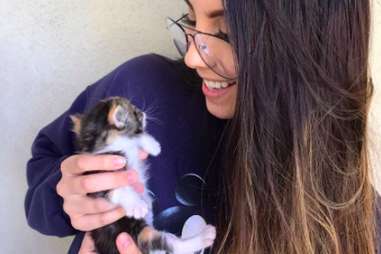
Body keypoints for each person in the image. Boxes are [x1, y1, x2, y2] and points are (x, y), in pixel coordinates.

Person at [25, 0, 379, 254]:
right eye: (191, 18)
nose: (193, 56)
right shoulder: (143, 87)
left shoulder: (354, 219)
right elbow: (45, 159)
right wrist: (65, 195)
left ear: (306, 44)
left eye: (224, 30)